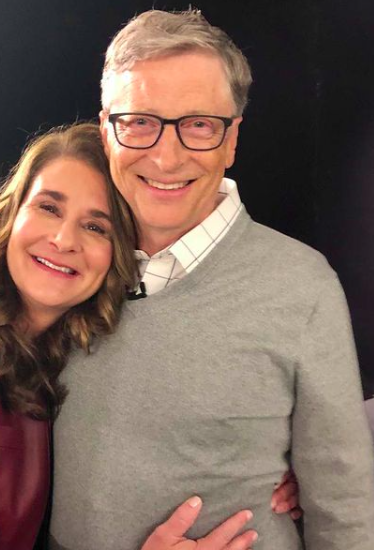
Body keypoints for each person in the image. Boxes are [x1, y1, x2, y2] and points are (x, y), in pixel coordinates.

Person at [0, 122, 272, 550]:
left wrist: (270, 465)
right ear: (11, 214)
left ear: (121, 255)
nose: (63, 240)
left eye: (96, 227)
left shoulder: (91, 344)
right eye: (49, 207)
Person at [48, 9, 374, 550]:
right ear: (107, 131)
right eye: (140, 121)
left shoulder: (300, 286)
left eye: (199, 124)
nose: (166, 156)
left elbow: (346, 509)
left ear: (231, 139)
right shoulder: (64, 262)